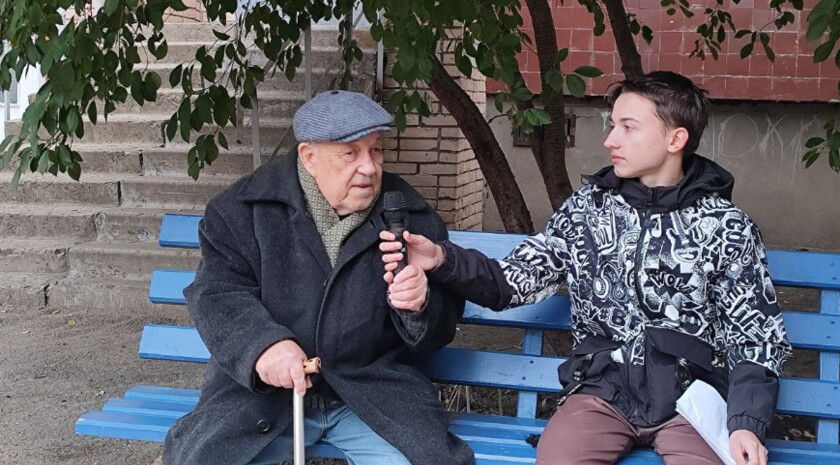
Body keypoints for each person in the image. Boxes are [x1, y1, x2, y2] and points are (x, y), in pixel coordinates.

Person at [380, 71, 791, 465]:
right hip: (603, 391)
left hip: (691, 399)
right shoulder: (587, 210)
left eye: (628, 127)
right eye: (612, 126)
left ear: (675, 139)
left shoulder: (725, 227)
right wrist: (442, 259)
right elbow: (516, 280)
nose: (611, 140)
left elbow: (756, 335)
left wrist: (746, 424)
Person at [165, 90, 472, 465]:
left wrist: (421, 306)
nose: (369, 167)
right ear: (309, 157)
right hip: (263, 397)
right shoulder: (243, 211)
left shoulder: (410, 217)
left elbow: (441, 327)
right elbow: (219, 293)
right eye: (350, 154)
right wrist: (263, 346)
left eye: (376, 150)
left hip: (373, 394)